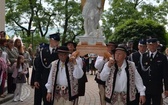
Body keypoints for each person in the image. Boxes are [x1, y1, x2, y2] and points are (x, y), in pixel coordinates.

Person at [34, 33, 60, 105]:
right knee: (42, 98)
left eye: (58, 41)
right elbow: (39, 67)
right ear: (51, 41)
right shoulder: (43, 51)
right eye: (55, 41)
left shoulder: (59, 52)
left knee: (51, 100)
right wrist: (36, 79)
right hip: (44, 78)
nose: (57, 43)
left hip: (55, 78)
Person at [141, 38, 168, 105]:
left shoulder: (162, 57)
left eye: (154, 45)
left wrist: (167, 89)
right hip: (145, 87)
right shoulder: (143, 56)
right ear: (147, 46)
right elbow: (140, 73)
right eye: (150, 45)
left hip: (157, 87)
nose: (152, 47)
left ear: (157, 45)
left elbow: (166, 74)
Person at [128, 39, 147, 104]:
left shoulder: (148, 56)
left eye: (144, 46)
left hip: (145, 82)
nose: (142, 48)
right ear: (138, 47)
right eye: (141, 46)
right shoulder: (132, 56)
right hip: (134, 82)